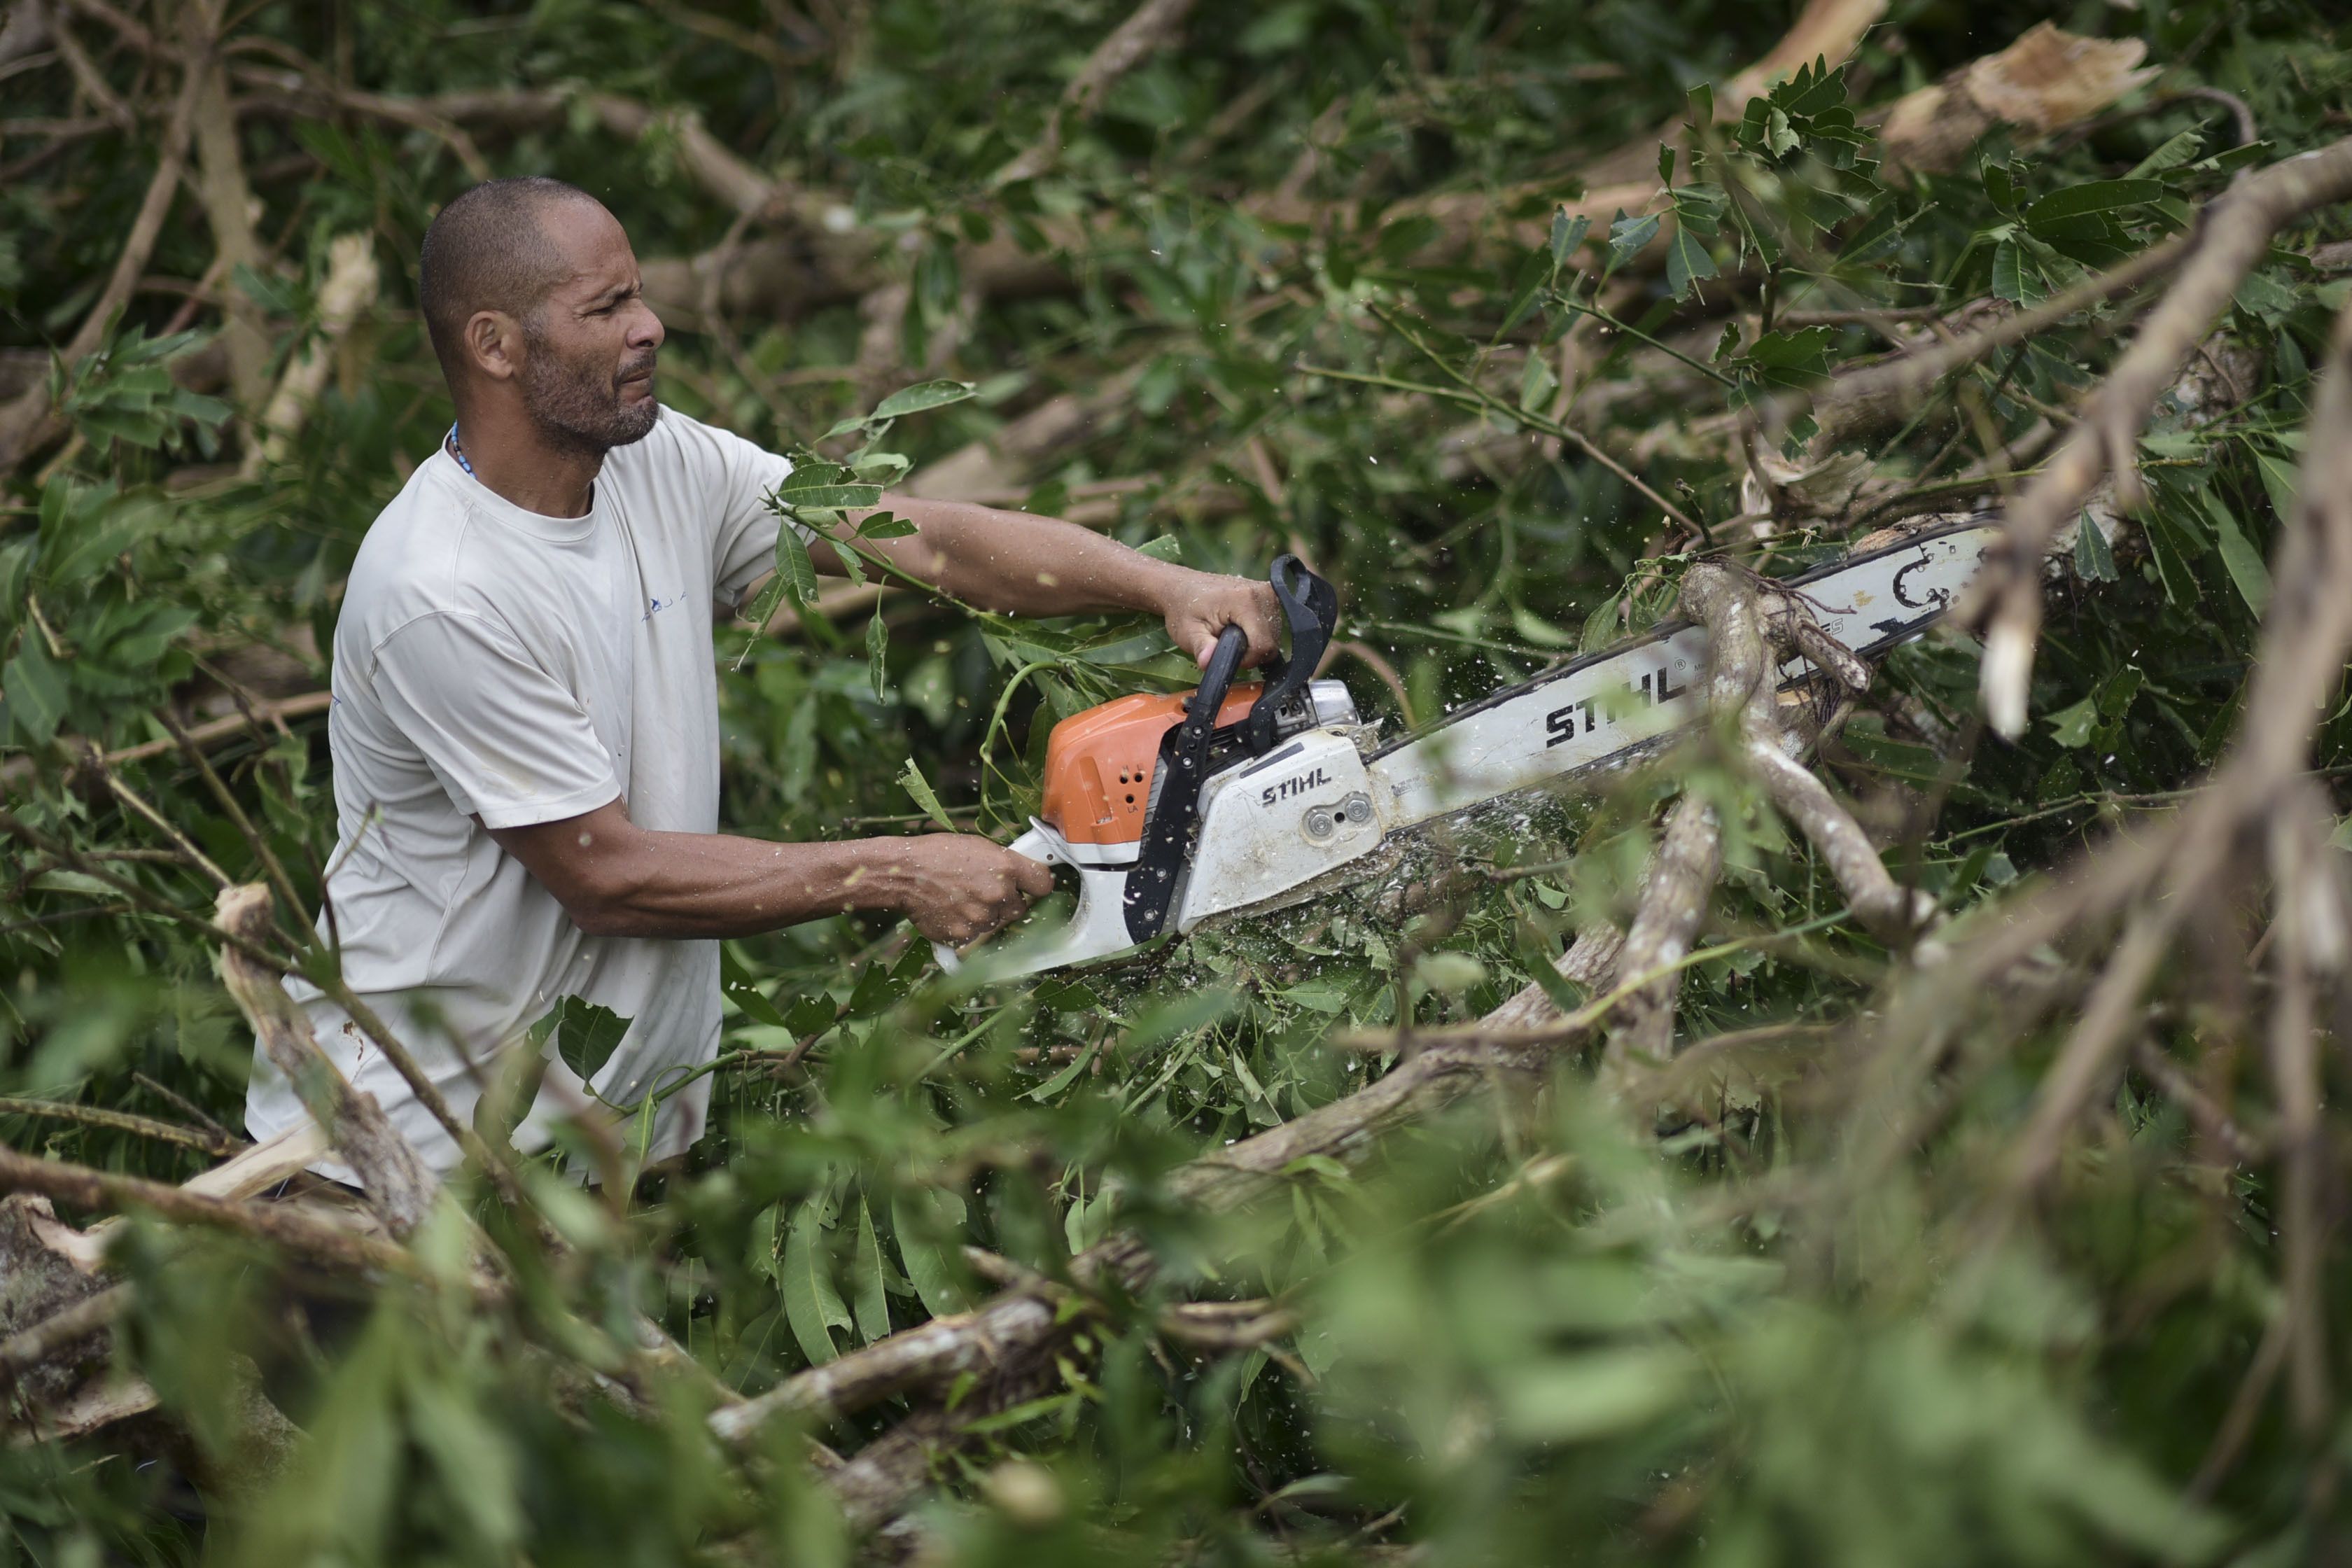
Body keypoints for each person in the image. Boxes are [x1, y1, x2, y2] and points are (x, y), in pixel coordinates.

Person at [245, 176, 1281, 1180]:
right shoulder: (443, 590)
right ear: (495, 346)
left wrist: (1164, 585)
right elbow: (606, 875)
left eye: (641, 294)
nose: (650, 327)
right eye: (607, 308)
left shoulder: (656, 459)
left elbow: (917, 540)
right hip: (405, 1156)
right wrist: (897, 871)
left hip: (607, 1148)